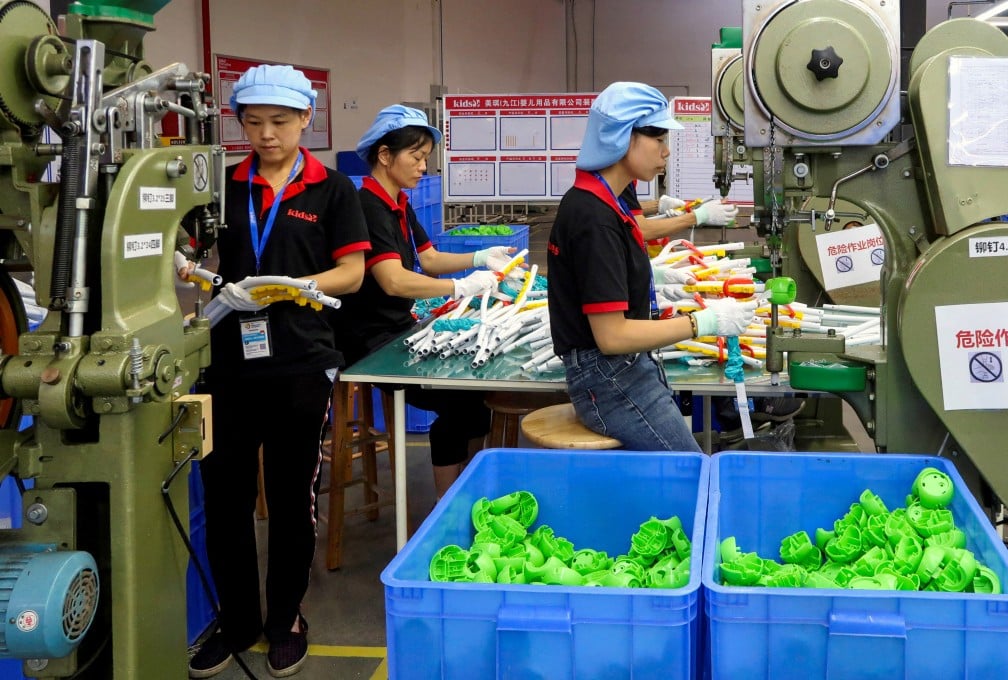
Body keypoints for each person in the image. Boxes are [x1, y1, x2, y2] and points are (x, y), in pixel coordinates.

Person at [186, 64, 370, 679]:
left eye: (281, 123)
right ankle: (236, 621)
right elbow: (178, 252)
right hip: (226, 363)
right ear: (240, 121)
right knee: (226, 497)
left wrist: (294, 287)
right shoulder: (221, 187)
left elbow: (351, 274)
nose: (267, 135)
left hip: (302, 362)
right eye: (255, 122)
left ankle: (286, 617)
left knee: (293, 498)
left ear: (305, 121)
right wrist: (197, 277)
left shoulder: (332, 190)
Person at [547, 81, 757, 451]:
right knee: (689, 469)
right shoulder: (593, 217)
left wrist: (643, 275)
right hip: (608, 378)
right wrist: (701, 323)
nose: (667, 150)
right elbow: (611, 337)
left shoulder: (605, 203)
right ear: (621, 138)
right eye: (657, 138)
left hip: (625, 369)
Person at [335, 105, 511, 499]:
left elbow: (429, 259)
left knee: (475, 395)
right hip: (371, 342)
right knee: (459, 400)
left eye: (425, 159)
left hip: (399, 328)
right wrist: (460, 288)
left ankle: (471, 489)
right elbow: (394, 281)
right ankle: (449, 507)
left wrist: (481, 258)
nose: (422, 167)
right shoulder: (368, 207)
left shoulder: (397, 202)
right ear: (385, 156)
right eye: (415, 157)